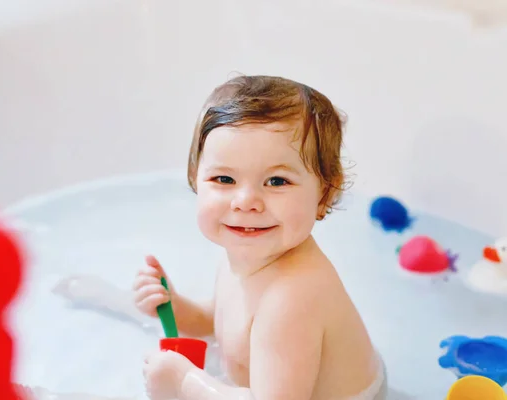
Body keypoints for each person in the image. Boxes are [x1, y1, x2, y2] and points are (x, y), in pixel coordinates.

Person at [135, 75, 387, 400]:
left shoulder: (291, 300)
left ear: (325, 195)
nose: (246, 201)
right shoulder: (245, 256)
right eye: (224, 178)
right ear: (195, 181)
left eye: (277, 181)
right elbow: (221, 323)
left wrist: (185, 381)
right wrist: (174, 307)